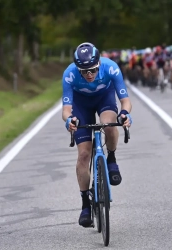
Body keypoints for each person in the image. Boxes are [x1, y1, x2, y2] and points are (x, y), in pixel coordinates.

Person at [61, 42, 132, 228]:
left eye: (92, 70)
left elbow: (125, 101)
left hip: (104, 98)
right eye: (84, 72)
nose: (89, 74)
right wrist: (69, 120)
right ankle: (85, 204)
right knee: (84, 154)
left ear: (99, 64)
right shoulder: (69, 74)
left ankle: (111, 158)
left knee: (109, 125)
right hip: (81, 105)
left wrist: (125, 114)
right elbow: (66, 109)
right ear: (78, 69)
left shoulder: (111, 68)